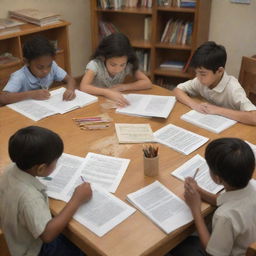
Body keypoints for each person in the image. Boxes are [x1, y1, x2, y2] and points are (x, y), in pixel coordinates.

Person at [0, 126, 92, 256]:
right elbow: (47, 235)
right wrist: (76, 200)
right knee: (83, 248)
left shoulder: (10, 169)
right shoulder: (29, 197)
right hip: (36, 249)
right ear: (41, 169)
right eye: (55, 162)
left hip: (17, 235)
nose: (57, 164)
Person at [170, 138, 256, 256]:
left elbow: (212, 253)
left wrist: (196, 210)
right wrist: (199, 191)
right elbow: (225, 199)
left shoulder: (226, 216)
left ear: (217, 178)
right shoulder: (253, 185)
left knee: (182, 245)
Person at [173, 41, 256, 125]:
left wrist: (217, 110)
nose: (198, 77)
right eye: (196, 72)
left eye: (202, 73)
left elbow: (254, 117)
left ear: (219, 71)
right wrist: (194, 105)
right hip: (212, 124)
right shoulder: (201, 81)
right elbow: (177, 90)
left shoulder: (233, 88)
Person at [0, 35, 76, 105]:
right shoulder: (19, 76)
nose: (45, 71)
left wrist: (70, 90)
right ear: (26, 62)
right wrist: (31, 94)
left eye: (49, 65)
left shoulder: (53, 66)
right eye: (40, 67)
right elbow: (3, 98)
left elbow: (70, 79)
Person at [80, 32, 152, 107]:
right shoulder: (95, 65)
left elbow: (147, 83)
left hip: (112, 103)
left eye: (122, 65)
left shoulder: (128, 65)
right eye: (113, 64)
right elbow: (84, 87)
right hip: (95, 103)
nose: (118, 69)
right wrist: (108, 92)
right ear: (103, 57)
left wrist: (124, 87)